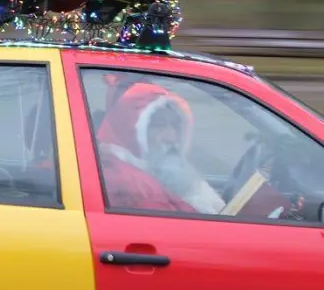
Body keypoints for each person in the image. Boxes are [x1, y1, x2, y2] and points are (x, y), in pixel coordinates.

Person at [95, 81, 227, 215]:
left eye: (176, 125)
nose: (172, 138)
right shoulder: (135, 188)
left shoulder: (155, 175)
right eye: (158, 125)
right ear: (131, 132)